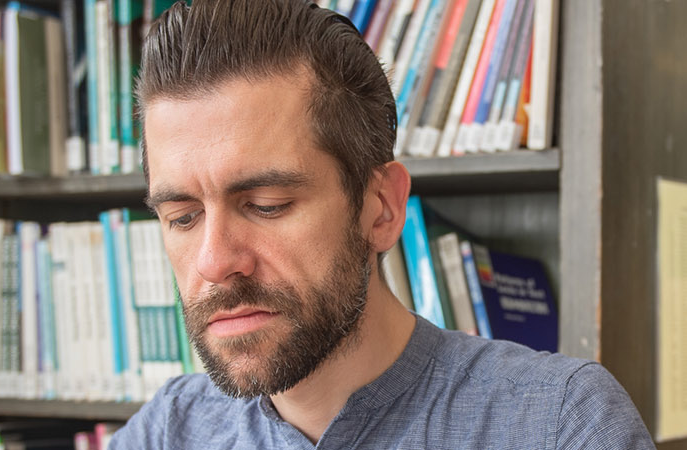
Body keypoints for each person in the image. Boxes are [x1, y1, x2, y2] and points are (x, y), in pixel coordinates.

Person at [109, 1, 653, 448]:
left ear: (381, 208)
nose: (213, 261)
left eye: (267, 204)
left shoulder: (561, 425)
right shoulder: (170, 429)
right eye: (182, 217)